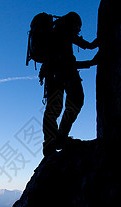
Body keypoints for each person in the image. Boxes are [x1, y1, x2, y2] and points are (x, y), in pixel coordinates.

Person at [40, 12, 98, 156]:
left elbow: (84, 47)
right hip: (62, 74)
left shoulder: (57, 32)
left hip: (53, 76)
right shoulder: (63, 32)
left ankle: (52, 142)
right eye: (77, 28)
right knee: (75, 101)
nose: (78, 31)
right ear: (73, 24)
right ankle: (58, 139)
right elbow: (85, 47)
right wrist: (91, 62)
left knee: (53, 109)